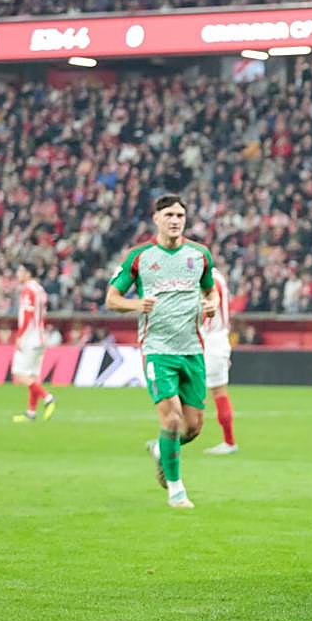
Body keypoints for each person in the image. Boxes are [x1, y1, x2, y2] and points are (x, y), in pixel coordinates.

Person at [106, 195, 219, 509]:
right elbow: (112, 299)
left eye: (180, 215)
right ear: (156, 219)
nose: (175, 220)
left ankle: (161, 449)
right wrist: (135, 305)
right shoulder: (139, 257)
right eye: (169, 214)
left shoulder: (199, 255)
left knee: (194, 427)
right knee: (171, 419)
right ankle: (176, 489)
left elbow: (211, 290)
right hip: (158, 350)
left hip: (192, 350)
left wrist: (212, 305)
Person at [11, 264, 57, 423]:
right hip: (41, 336)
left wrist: (20, 335)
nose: (18, 273)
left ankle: (48, 397)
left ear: (28, 273)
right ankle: (31, 413)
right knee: (32, 377)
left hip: (29, 338)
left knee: (19, 374)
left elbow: (28, 313)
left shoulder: (27, 290)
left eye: (20, 270)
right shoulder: (40, 289)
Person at [202, 268, 238, 456]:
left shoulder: (208, 279)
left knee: (213, 391)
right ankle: (229, 441)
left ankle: (229, 442)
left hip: (210, 340)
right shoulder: (217, 276)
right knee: (218, 391)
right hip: (219, 340)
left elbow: (206, 316)